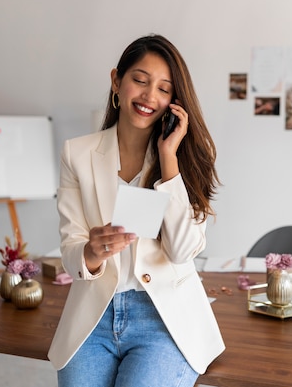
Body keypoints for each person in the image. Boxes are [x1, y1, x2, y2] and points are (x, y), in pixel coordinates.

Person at [48, 34, 225, 387]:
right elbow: (71, 253)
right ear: (117, 81)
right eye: (140, 81)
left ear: (174, 101)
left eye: (163, 89)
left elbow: (182, 250)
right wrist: (91, 253)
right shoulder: (77, 154)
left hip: (163, 316)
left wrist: (168, 159)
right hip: (93, 315)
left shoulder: (185, 156)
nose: (149, 97)